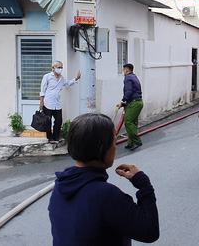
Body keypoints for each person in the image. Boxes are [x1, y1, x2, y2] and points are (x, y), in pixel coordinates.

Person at [48, 113, 159, 245]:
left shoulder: (60, 186)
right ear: (102, 148)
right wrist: (144, 184)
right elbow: (149, 231)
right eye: (114, 142)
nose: (115, 147)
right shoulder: (106, 195)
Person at [40, 61, 80, 144]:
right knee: (48, 121)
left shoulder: (61, 78)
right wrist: (41, 102)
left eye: (61, 67)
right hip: (48, 102)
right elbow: (42, 90)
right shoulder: (47, 77)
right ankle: (50, 137)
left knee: (58, 120)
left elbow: (67, 83)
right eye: (59, 67)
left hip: (57, 103)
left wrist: (76, 78)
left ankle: (56, 136)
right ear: (53, 68)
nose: (60, 69)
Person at [117, 63, 143, 151]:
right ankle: (131, 143)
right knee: (133, 123)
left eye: (123, 70)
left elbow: (128, 91)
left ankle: (136, 142)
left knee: (128, 122)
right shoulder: (134, 77)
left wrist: (122, 101)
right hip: (139, 102)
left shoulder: (128, 78)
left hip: (133, 103)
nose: (123, 72)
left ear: (126, 70)